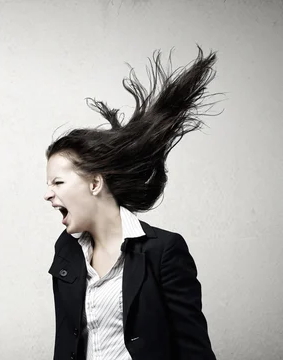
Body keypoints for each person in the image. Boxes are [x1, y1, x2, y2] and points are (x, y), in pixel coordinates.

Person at [44, 47, 219, 360]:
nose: (48, 194)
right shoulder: (67, 251)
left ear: (95, 183)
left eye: (57, 182)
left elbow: (195, 352)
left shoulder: (163, 251)